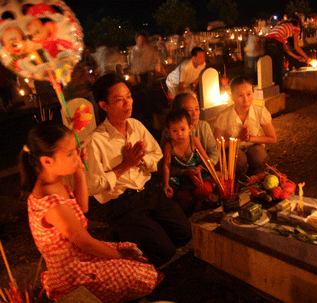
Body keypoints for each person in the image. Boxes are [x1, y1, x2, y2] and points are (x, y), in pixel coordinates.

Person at [19, 121, 163, 303]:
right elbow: (87, 244)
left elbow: (82, 208)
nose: (76, 156)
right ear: (47, 161)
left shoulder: (53, 182)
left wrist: (78, 168)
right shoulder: (52, 205)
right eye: (70, 154)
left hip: (80, 255)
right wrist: (121, 258)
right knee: (146, 274)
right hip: (72, 272)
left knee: (136, 253)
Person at [86, 73, 192, 267]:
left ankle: (142, 234)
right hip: (123, 204)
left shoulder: (136, 126)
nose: (128, 103)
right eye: (119, 100)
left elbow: (157, 156)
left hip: (150, 193)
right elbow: (92, 186)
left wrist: (140, 160)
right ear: (104, 105)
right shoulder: (96, 141)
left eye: (128, 96)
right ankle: (125, 242)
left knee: (185, 233)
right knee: (164, 251)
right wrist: (124, 166)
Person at [214, 76, 277, 179]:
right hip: (231, 149)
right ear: (232, 97)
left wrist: (249, 138)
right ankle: (235, 181)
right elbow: (217, 145)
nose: (246, 100)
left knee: (259, 156)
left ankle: (253, 179)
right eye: (240, 96)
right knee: (239, 159)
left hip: (253, 146)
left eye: (249, 94)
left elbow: (272, 138)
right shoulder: (224, 116)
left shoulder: (259, 111)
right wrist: (238, 139)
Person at [162, 108, 215, 214]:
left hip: (197, 174)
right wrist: (166, 184)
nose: (179, 134)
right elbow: (166, 166)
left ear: (190, 128)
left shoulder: (194, 141)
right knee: (180, 198)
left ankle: (200, 206)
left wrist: (212, 173)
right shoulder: (169, 146)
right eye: (175, 131)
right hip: (181, 178)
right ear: (169, 131)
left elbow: (206, 159)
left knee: (205, 189)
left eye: (183, 129)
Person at [264, 16, 311, 90]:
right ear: (298, 23)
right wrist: (307, 58)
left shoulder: (282, 27)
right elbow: (296, 47)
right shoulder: (296, 27)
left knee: (272, 67)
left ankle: (272, 90)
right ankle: (280, 92)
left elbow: (286, 49)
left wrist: (297, 57)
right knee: (279, 69)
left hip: (267, 43)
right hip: (276, 44)